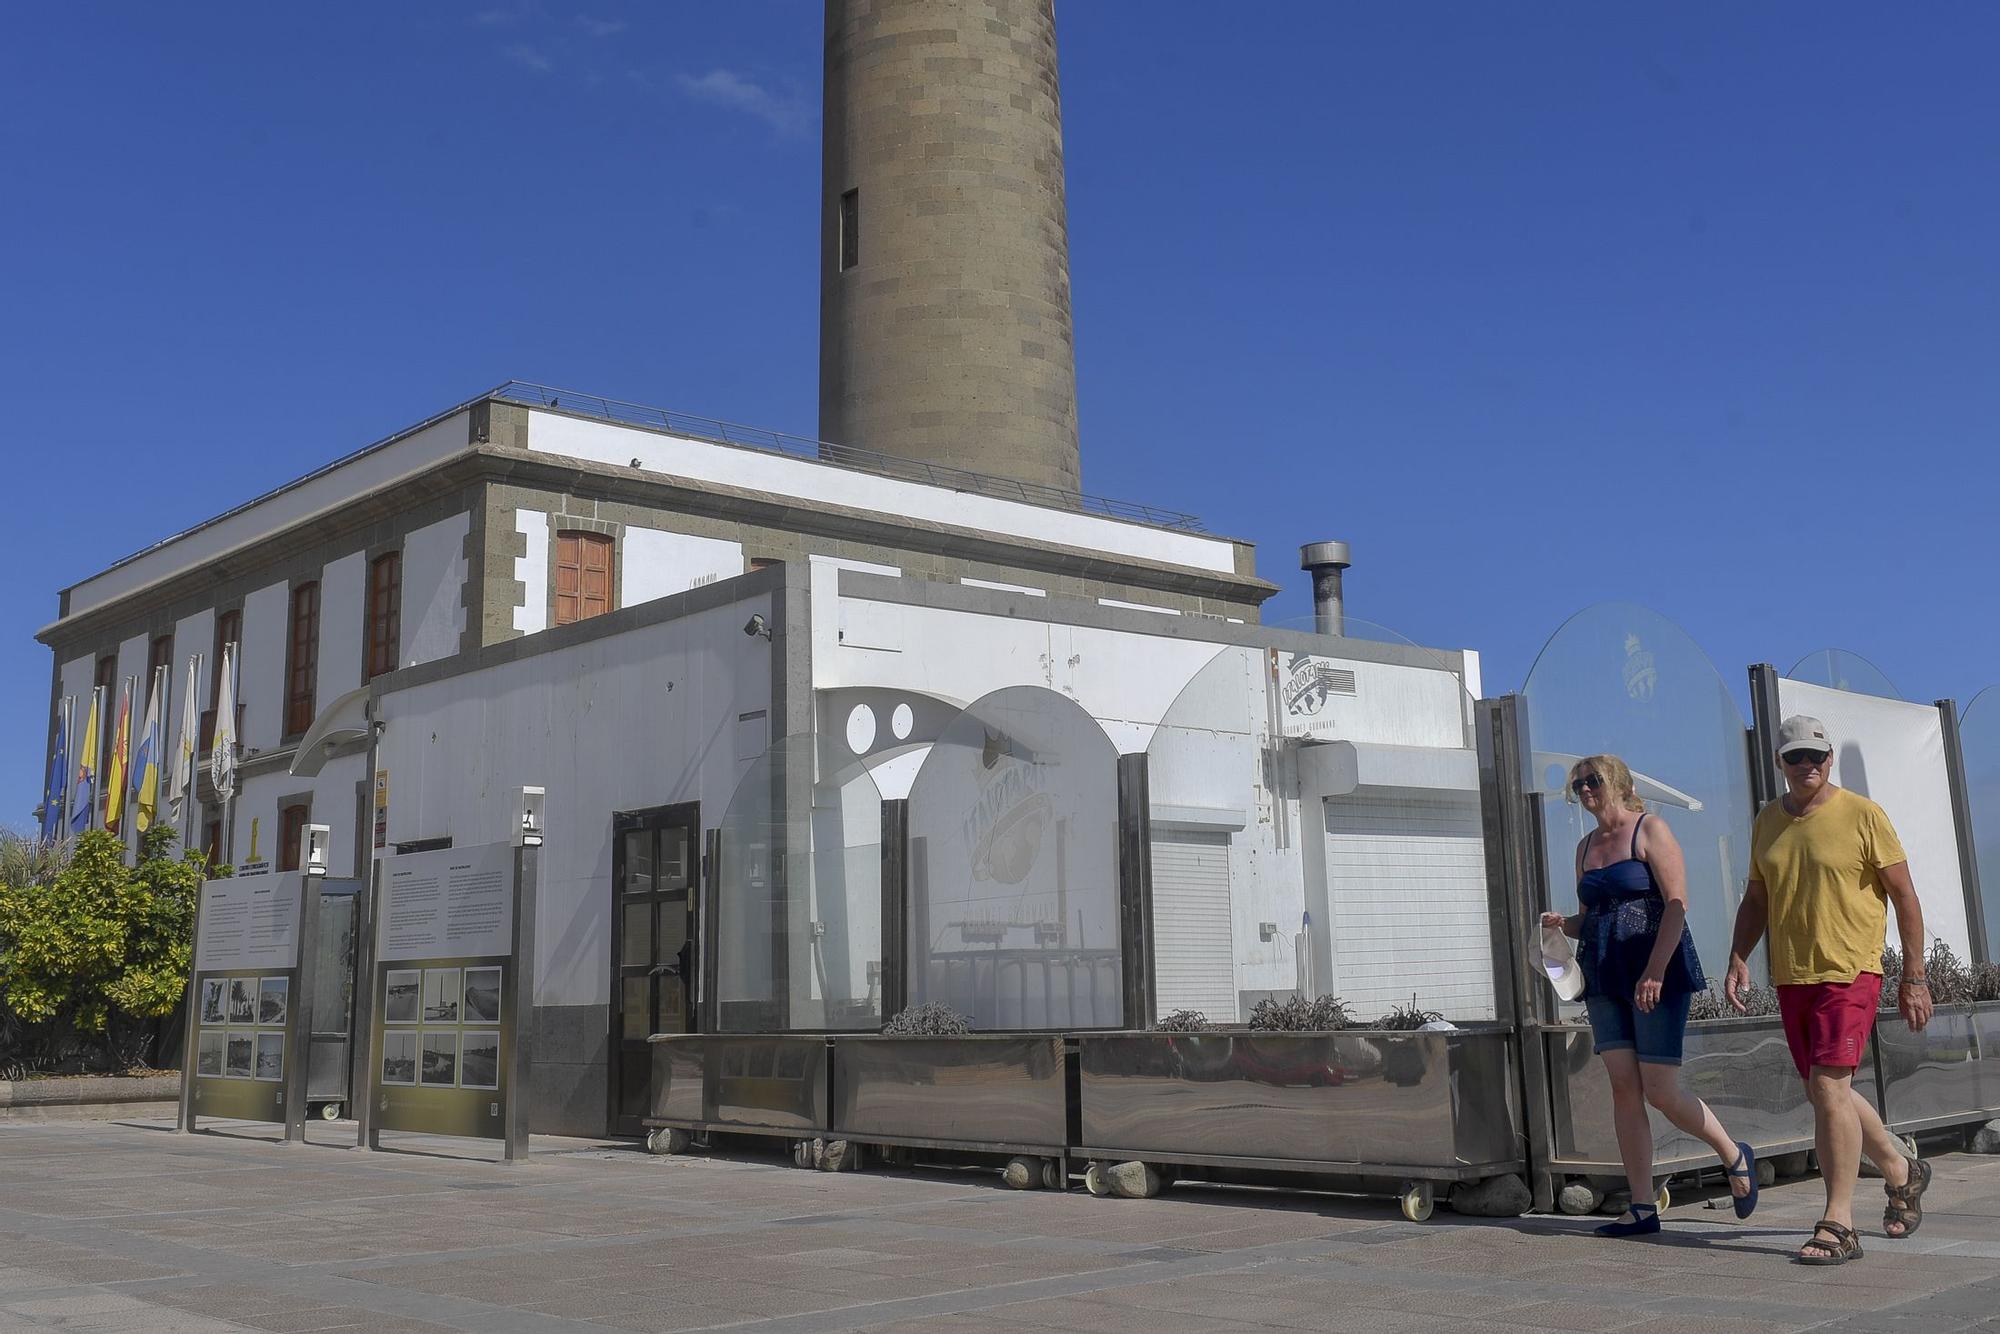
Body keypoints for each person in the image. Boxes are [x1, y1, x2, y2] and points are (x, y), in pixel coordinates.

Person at [1725, 716, 1933, 1265]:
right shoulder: (1768, 820)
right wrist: (1738, 956)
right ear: (1781, 763)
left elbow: (1905, 898)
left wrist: (1914, 977)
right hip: (1794, 974)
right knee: (1826, 1090)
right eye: (1796, 757)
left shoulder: (1863, 815)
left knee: (1829, 1089)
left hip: (1851, 970)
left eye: (1816, 756)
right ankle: (1899, 1167)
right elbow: (1756, 898)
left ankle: (1838, 1221)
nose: (1807, 765)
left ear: (1830, 759)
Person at [1544, 754, 1757, 1237]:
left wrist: (1656, 971)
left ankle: (1733, 1154)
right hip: (1603, 973)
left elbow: (1677, 906)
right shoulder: (1584, 847)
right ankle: (1642, 1205)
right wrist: (1561, 925)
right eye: (1576, 784)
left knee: (1660, 1089)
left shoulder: (1650, 829)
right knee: (1623, 1085)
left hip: (1656, 969)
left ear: (1616, 783)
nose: (1583, 790)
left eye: (1591, 780)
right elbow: (1589, 917)